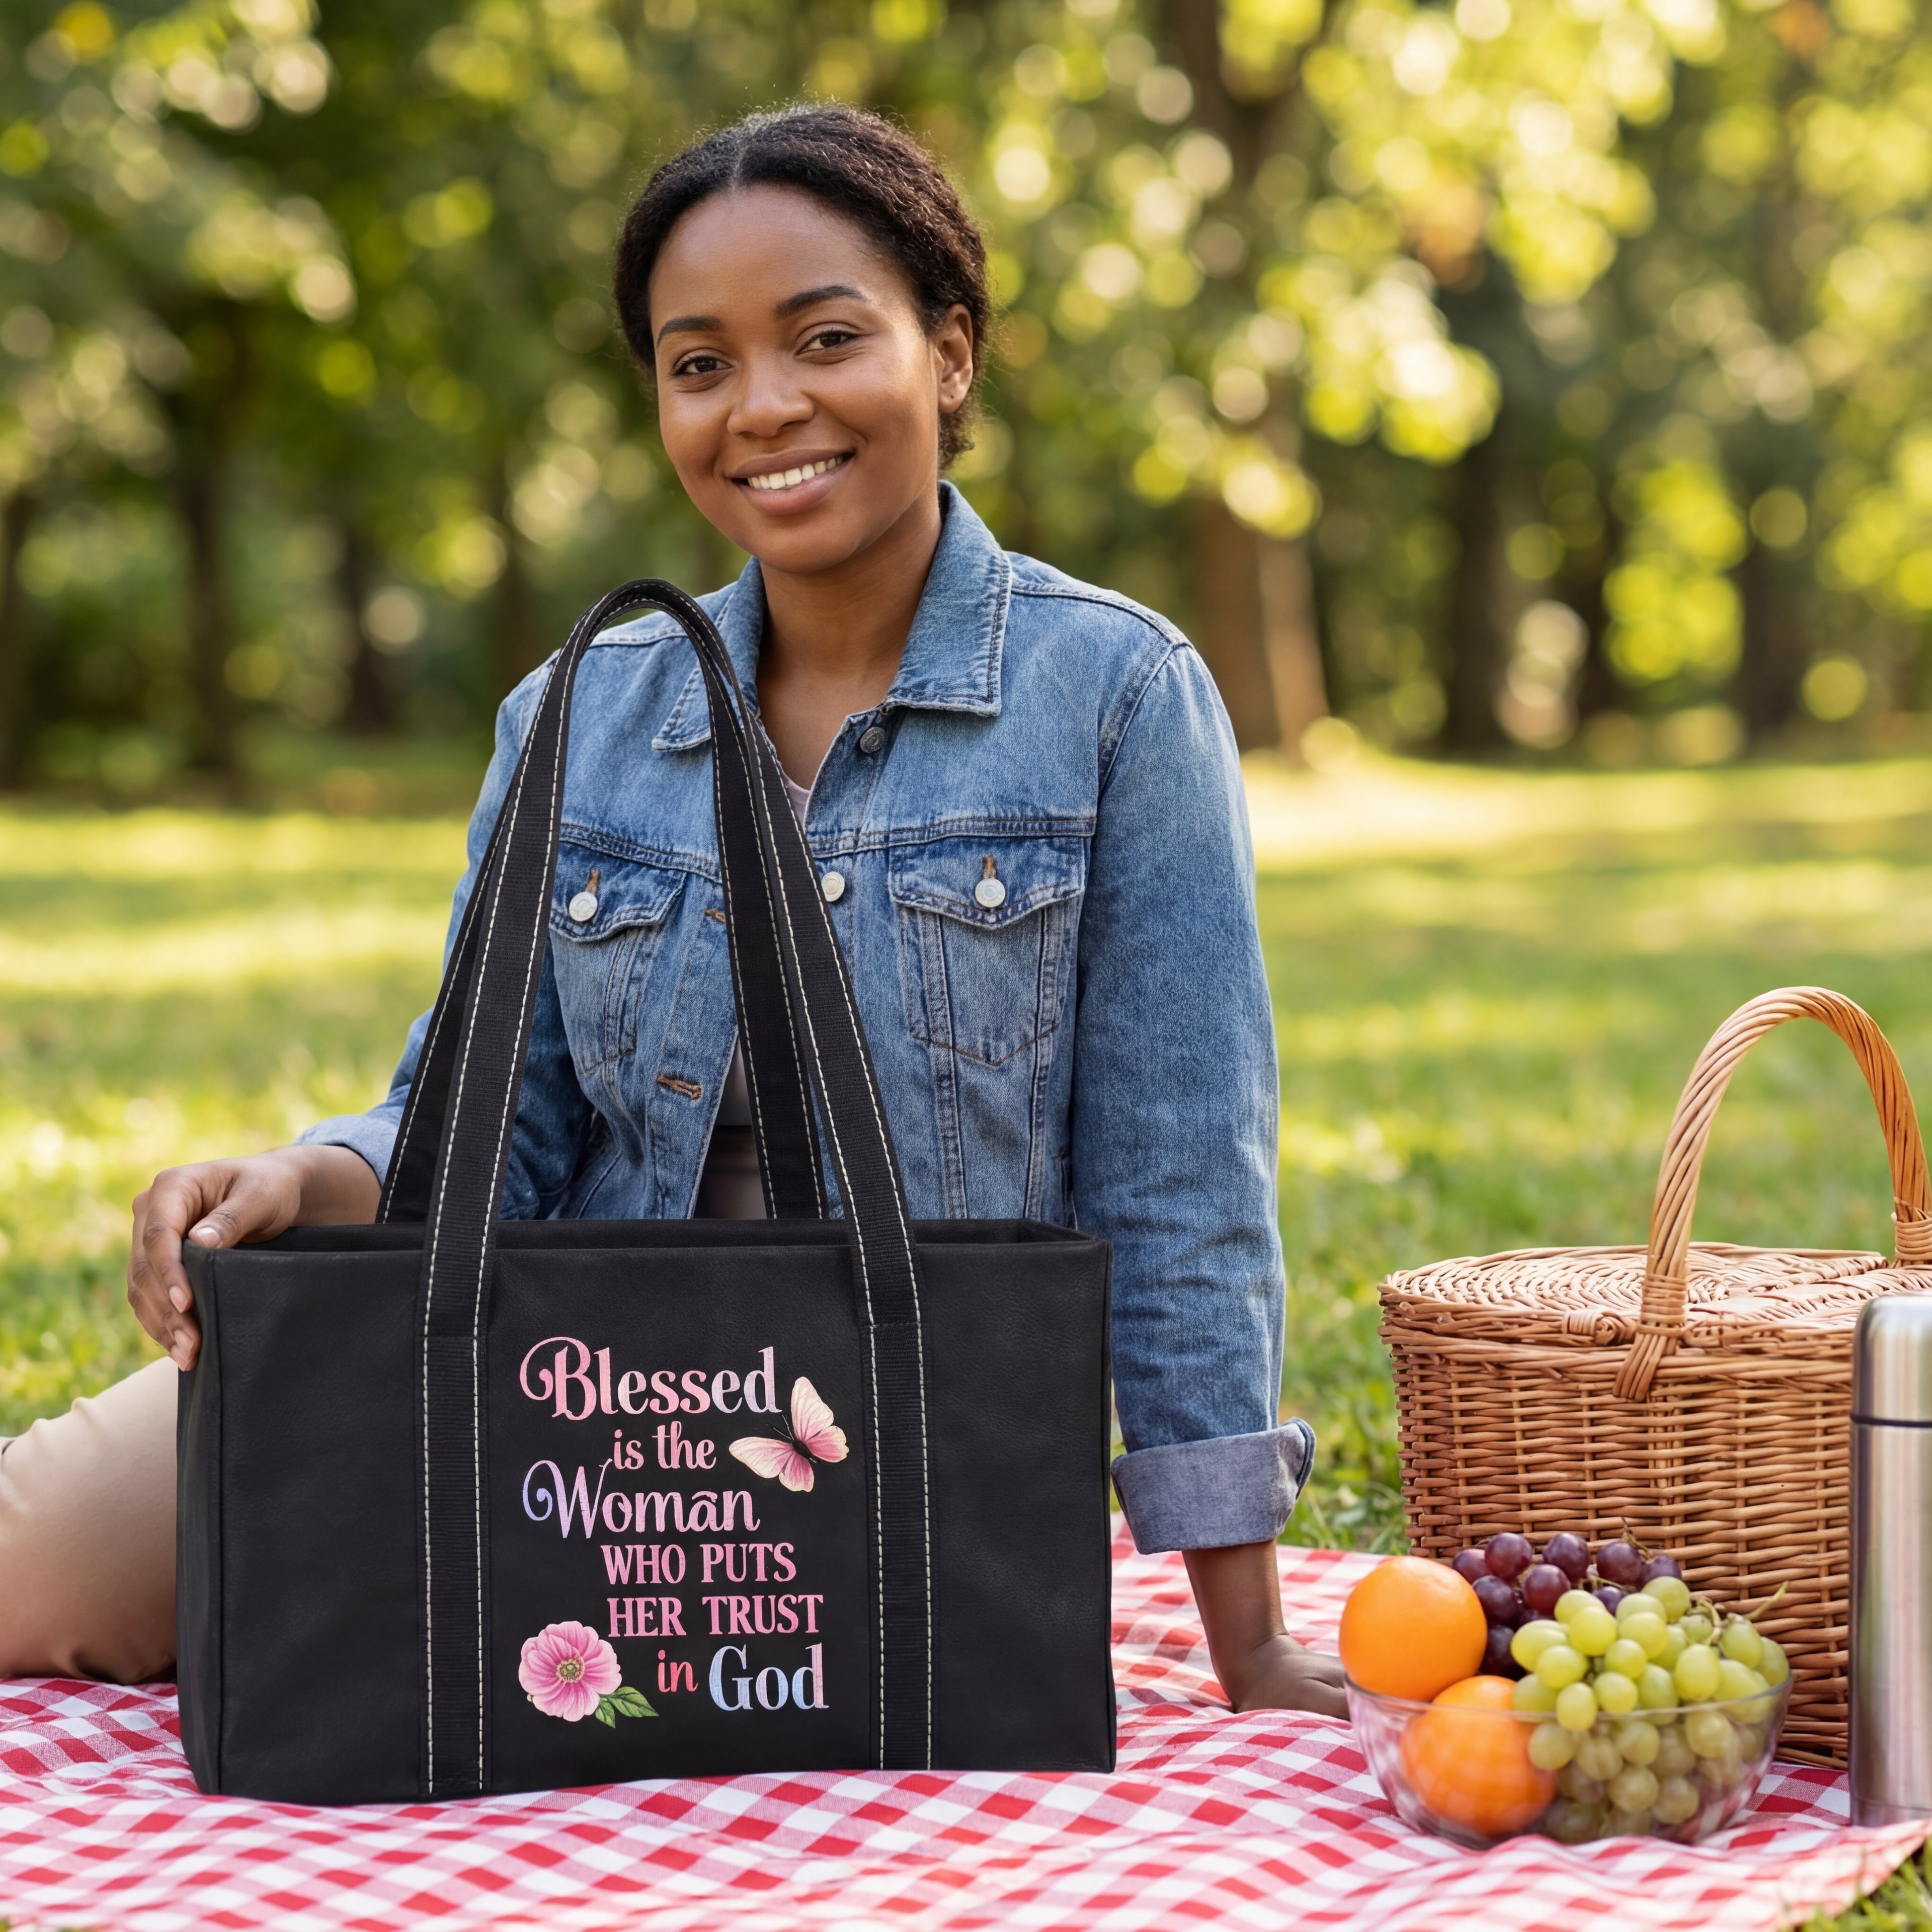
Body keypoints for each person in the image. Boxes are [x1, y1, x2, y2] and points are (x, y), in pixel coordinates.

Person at [0, 104, 1346, 1719]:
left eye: (827, 338)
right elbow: (484, 1127)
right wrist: (302, 1176)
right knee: (39, 1559)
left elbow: (1180, 1184)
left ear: (954, 354)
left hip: (893, 1448)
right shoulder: (581, 711)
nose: (763, 407)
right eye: (697, 364)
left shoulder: (1117, 697)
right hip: (561, 1412)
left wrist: (1246, 1639)